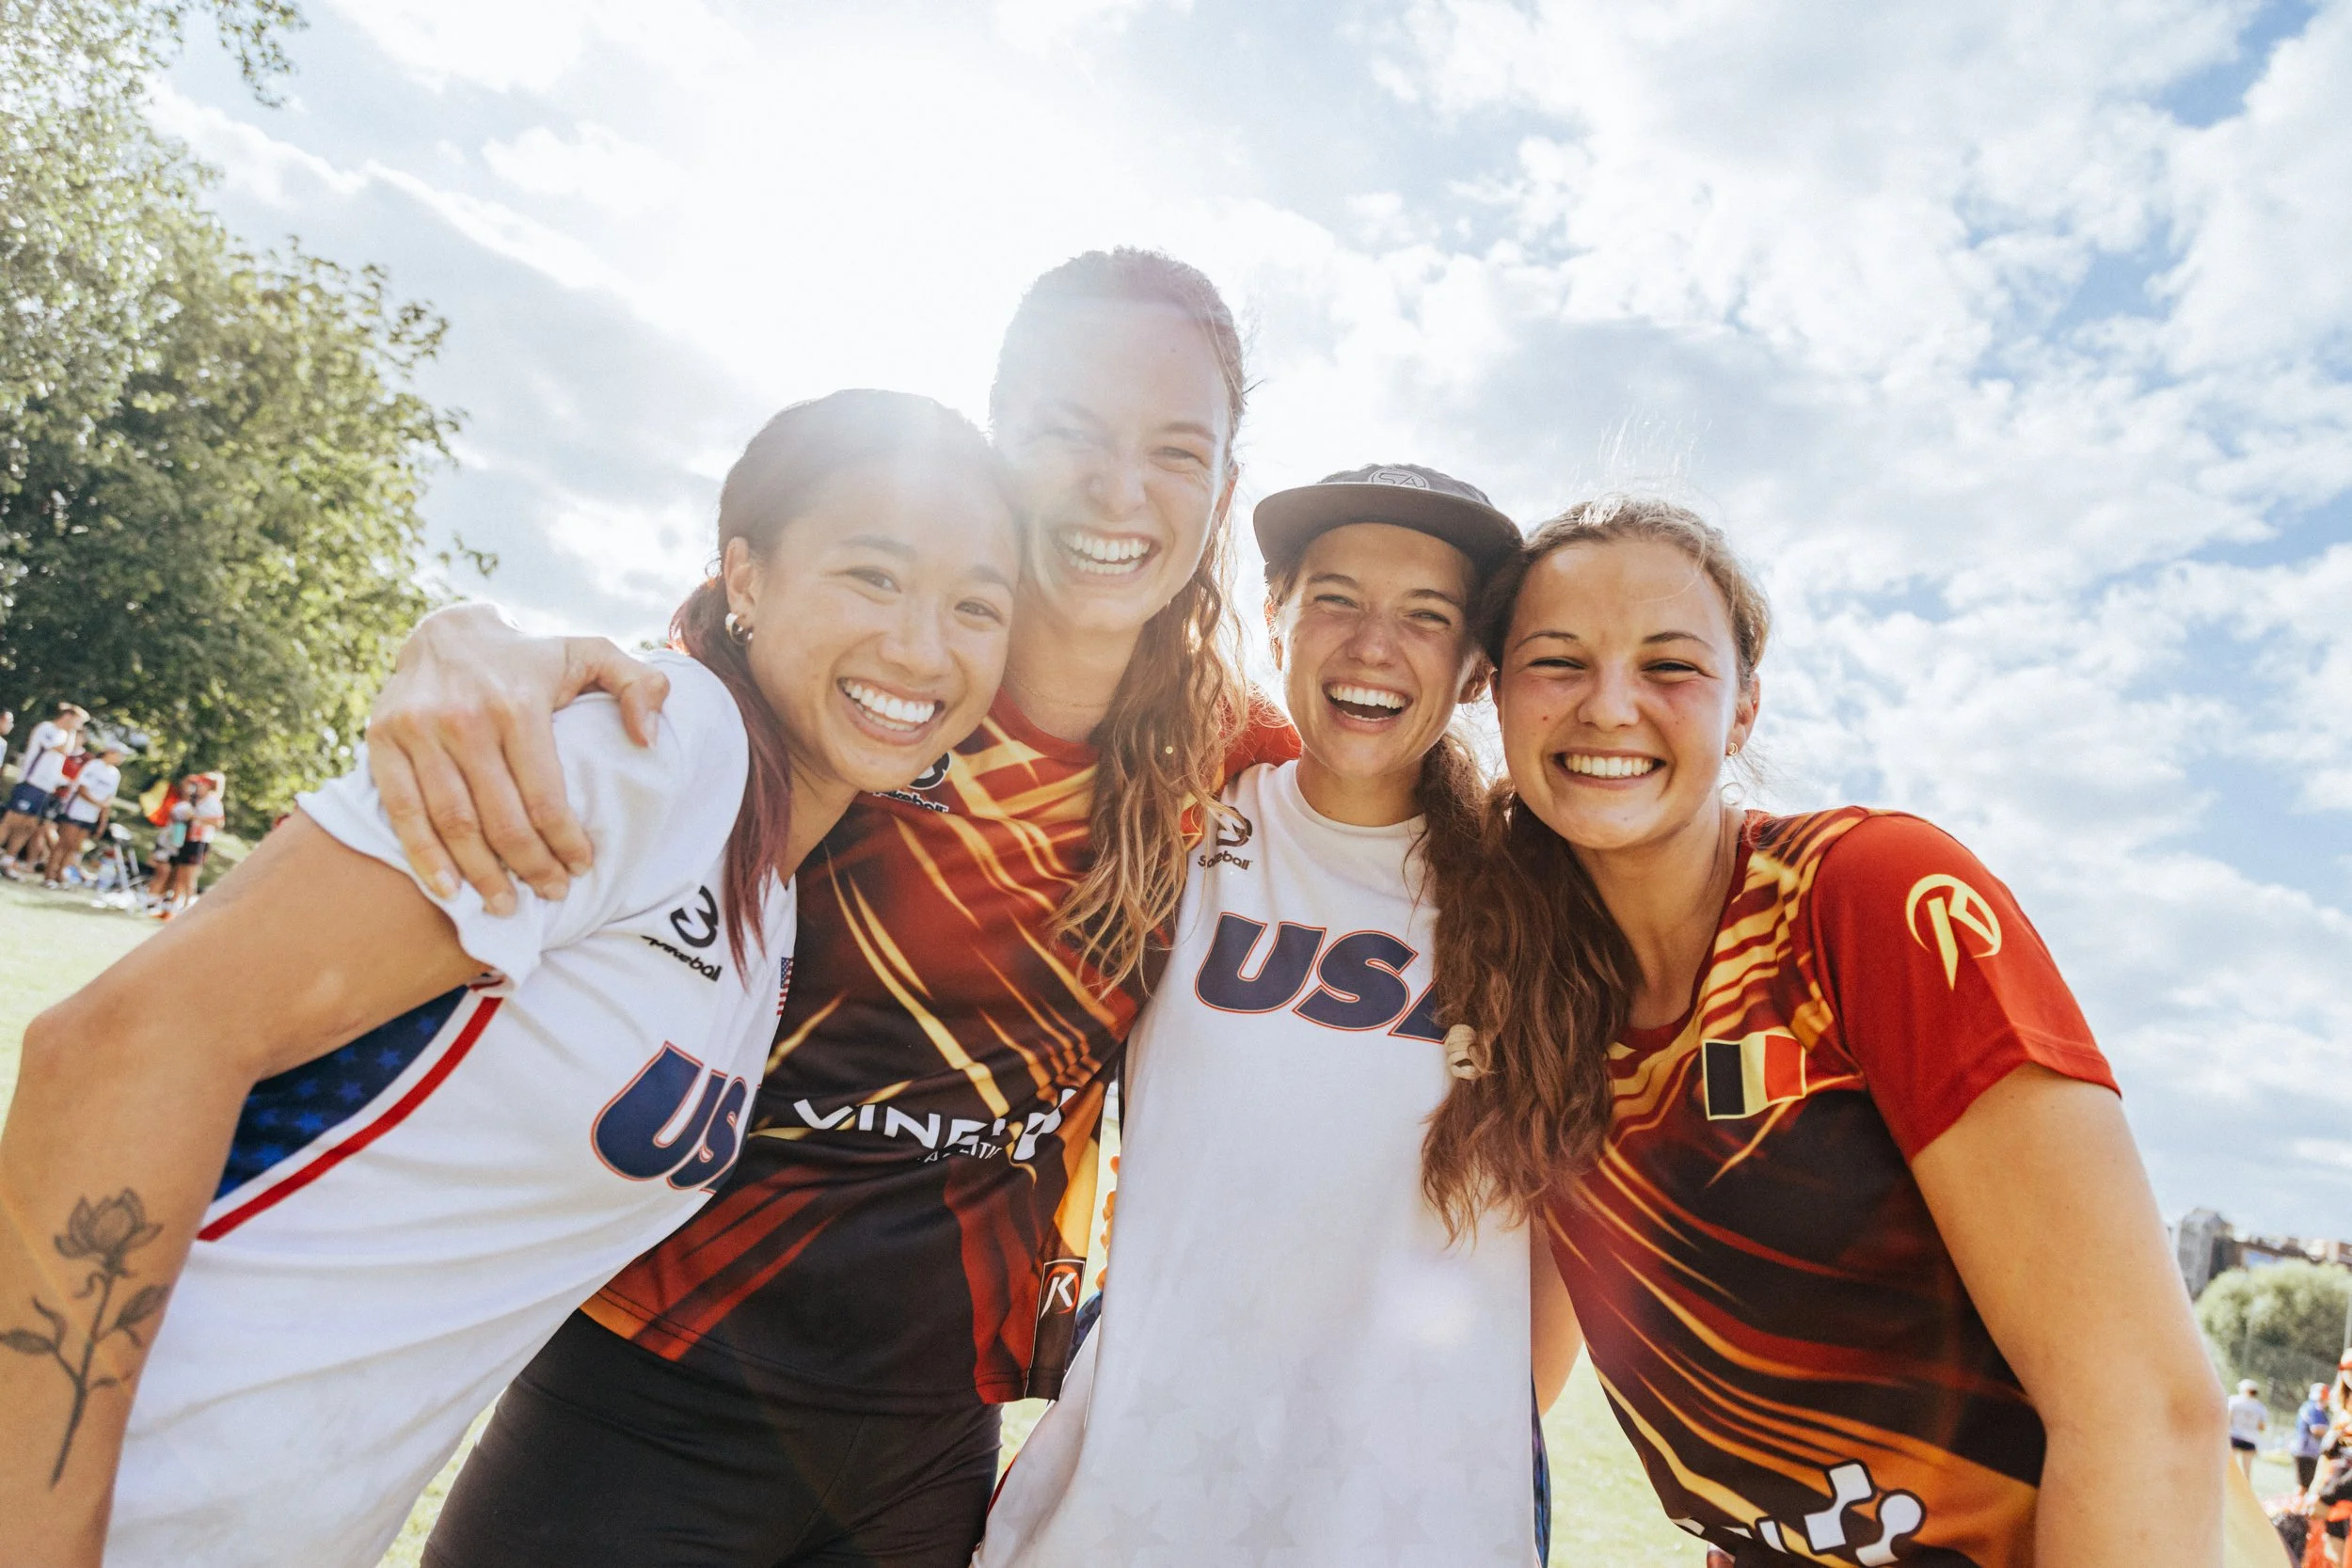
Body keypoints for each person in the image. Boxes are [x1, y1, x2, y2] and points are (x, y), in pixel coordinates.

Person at [358, 249, 1292, 1568]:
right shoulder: (859, 679)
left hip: (930, 1442)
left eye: (1176, 449)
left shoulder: (1237, 756)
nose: (1119, 489)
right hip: (644, 1383)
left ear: (1224, 487)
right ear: (991, 439)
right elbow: (637, 699)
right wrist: (468, 632)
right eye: (1067, 431)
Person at [0, 388, 1021, 1568]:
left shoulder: (768, 883)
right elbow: (127, 1042)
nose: (921, 646)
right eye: (874, 575)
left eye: (975, 605)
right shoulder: (655, 747)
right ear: (746, 575)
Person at [1426, 496, 2229, 1565]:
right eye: (1558, 661)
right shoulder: (1519, 983)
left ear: (1743, 710)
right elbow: (1509, 1371)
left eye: (1669, 666)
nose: (1609, 706)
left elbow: (2147, 1415)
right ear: (1496, 694)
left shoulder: (1866, 895)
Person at [978, 466, 1559, 1565]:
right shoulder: (1178, 811)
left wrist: (1462, 1421)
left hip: (1409, 1517)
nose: (1372, 645)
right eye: (1334, 597)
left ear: (1478, 665)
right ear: (1273, 618)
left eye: (1427, 616)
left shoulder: (1538, 893)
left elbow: (1572, 1208)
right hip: (1140, 1492)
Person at [0, 701, 87, 871]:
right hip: (30, 783)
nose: (79, 726)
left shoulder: (63, 734)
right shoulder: (47, 729)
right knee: (11, 822)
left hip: (46, 788)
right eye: (78, 721)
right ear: (68, 716)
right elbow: (63, 750)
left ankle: (8, 861)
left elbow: (57, 761)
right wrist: (72, 731)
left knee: (28, 826)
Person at [42, 740, 125, 889]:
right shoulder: (93, 766)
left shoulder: (115, 774)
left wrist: (102, 822)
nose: (122, 758)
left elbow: (108, 800)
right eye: (120, 754)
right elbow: (82, 790)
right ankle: (49, 875)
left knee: (74, 846)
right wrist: (99, 804)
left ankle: (61, 874)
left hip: (90, 816)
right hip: (75, 810)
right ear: (110, 752)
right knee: (64, 843)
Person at [2233, 1380, 2271, 1479]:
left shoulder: (2234, 1401)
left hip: (2234, 1436)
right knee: (2247, 1469)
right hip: (2250, 1438)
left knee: (2229, 1467)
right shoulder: (2260, 1407)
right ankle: (2245, 1492)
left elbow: (2228, 1419)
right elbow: (2262, 1427)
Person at [2298, 1385, 2332, 1490]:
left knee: (2305, 1487)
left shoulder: (2308, 1406)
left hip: (2306, 1450)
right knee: (2304, 1488)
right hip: (2307, 1451)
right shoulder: (2315, 1407)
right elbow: (2316, 1429)